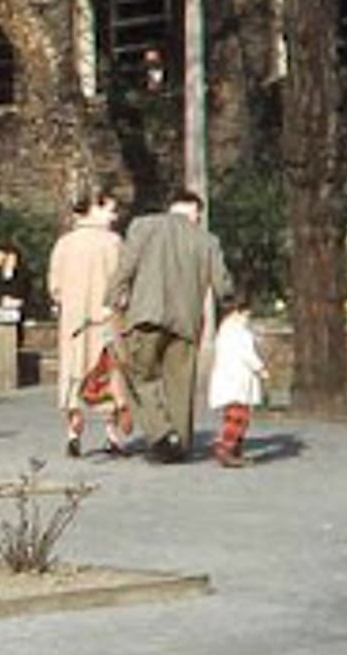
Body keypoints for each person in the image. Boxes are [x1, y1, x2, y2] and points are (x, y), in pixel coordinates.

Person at [107, 190, 234, 463]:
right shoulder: (207, 240)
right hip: (187, 322)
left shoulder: (143, 227)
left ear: (171, 207)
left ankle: (162, 434)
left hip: (146, 316)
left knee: (140, 375)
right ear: (195, 212)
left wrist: (112, 299)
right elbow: (223, 286)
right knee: (181, 384)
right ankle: (181, 444)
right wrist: (231, 309)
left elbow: (126, 267)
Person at [47, 190, 124, 458]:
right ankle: (111, 434)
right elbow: (123, 282)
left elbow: (55, 286)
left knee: (73, 370)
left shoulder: (64, 244)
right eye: (110, 210)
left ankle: (73, 429)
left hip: (74, 320)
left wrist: (67, 301)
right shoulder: (114, 243)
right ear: (95, 208)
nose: (114, 216)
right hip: (105, 317)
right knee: (108, 371)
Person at [207, 294, 268, 469]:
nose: (248, 317)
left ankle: (234, 449)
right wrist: (260, 368)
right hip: (238, 382)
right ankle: (227, 447)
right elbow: (247, 354)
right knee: (238, 418)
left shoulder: (224, 330)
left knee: (234, 416)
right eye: (246, 313)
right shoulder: (240, 332)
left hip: (229, 381)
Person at [0, 244, 33, 313]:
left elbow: (31, 298)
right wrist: (0, 301)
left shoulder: (24, 278)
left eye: (12, 259)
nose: (8, 261)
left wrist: (18, 302)